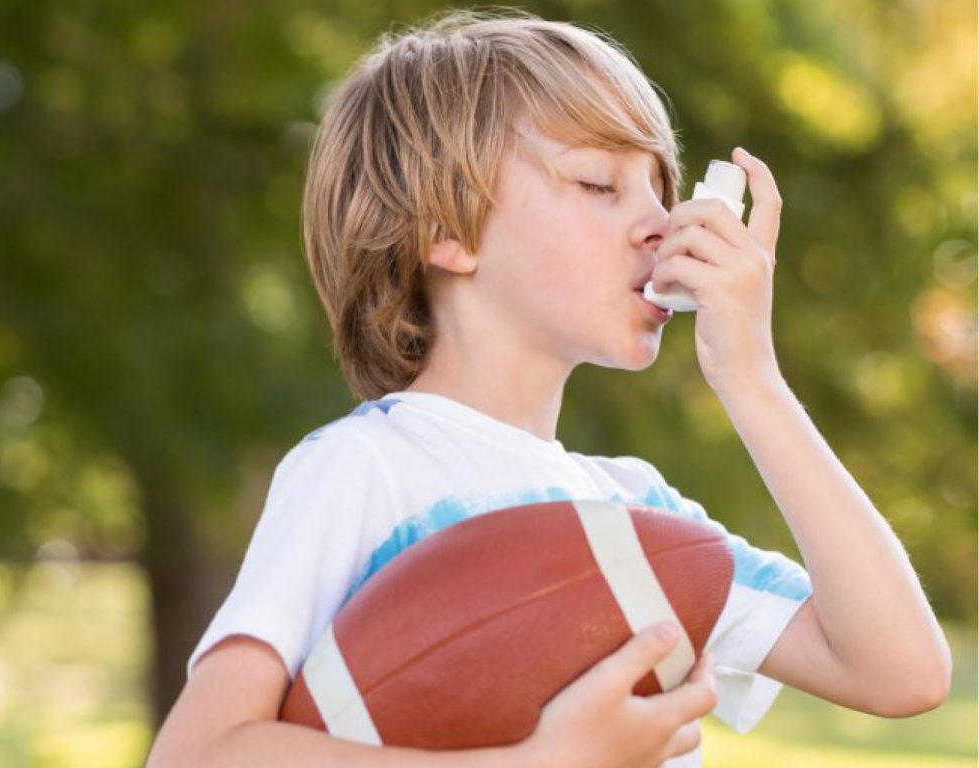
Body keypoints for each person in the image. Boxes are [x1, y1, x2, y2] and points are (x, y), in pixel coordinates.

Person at [146, 9, 951, 768]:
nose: (659, 225)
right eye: (599, 184)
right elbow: (197, 752)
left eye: (660, 190)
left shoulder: (641, 517)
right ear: (446, 232)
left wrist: (752, 377)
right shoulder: (366, 469)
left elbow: (900, 672)